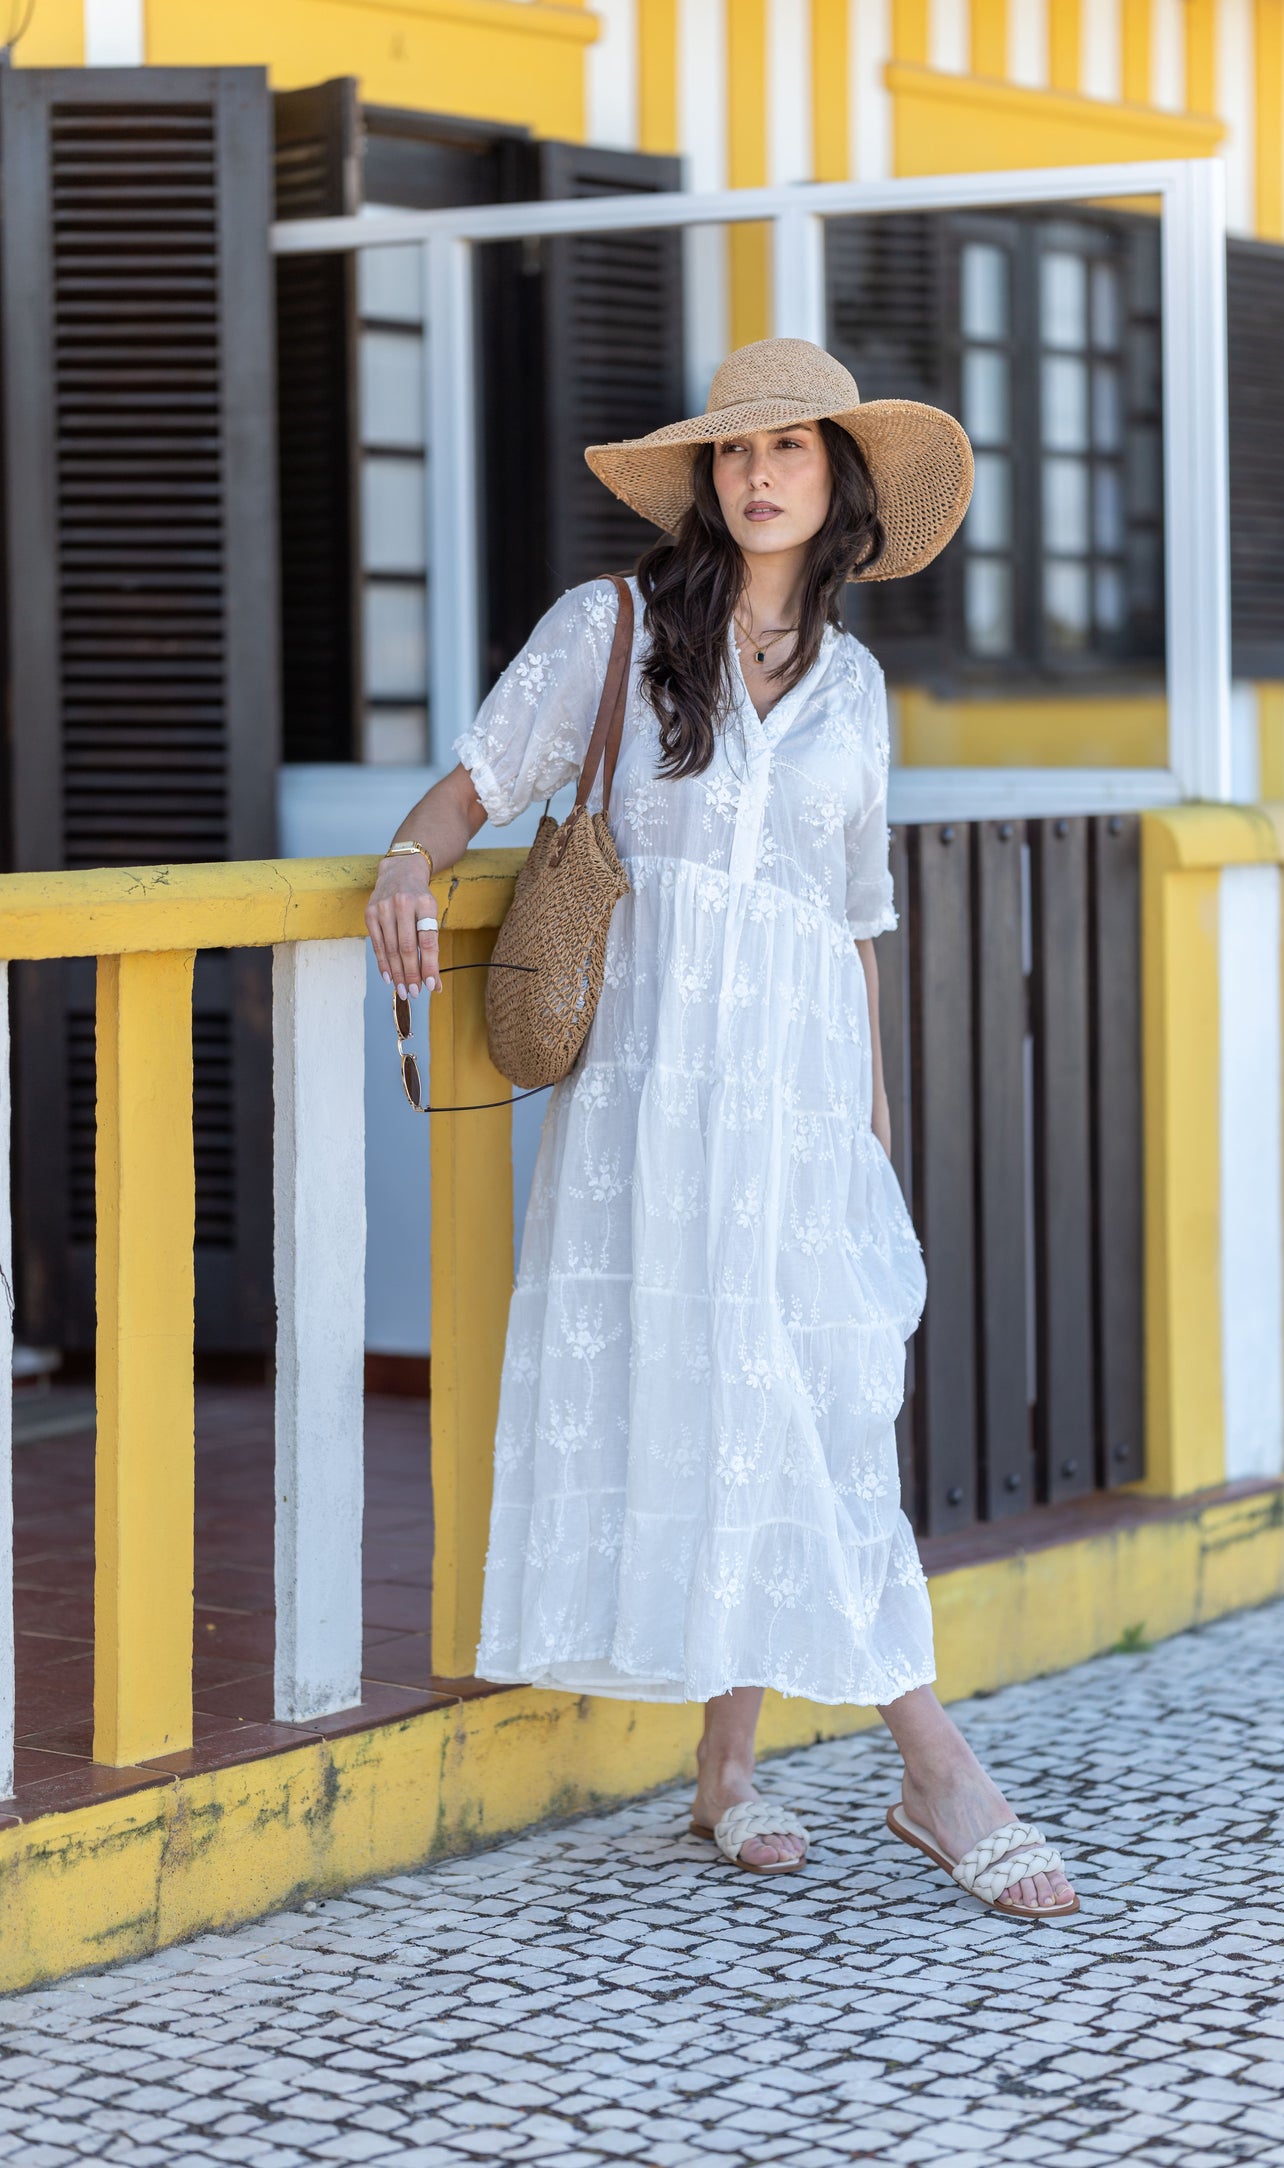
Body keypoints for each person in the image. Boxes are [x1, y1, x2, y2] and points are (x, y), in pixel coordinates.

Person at [364, 338, 1078, 1921]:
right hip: (651, 1100)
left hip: (803, 1099)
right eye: (734, 450)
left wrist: (871, 1131)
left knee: (810, 1402)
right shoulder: (609, 633)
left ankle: (741, 1775)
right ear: (708, 479)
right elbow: (469, 790)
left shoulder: (859, 685)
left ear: (836, 486)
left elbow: (852, 923)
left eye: (791, 451)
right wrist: (406, 869)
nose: (757, 474)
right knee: (715, 1388)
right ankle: (921, 1768)